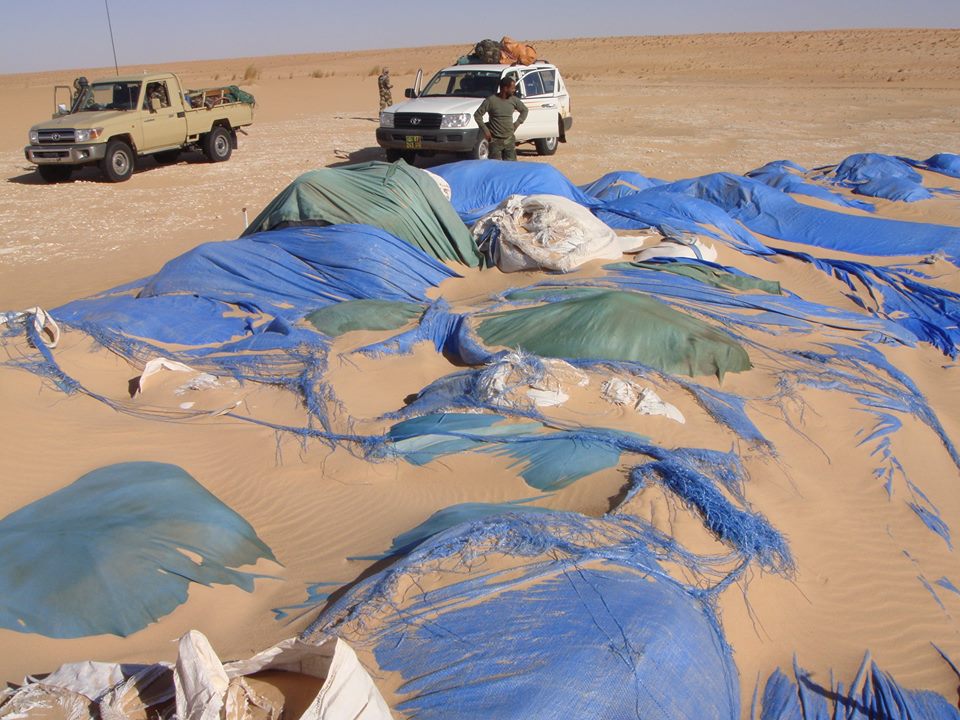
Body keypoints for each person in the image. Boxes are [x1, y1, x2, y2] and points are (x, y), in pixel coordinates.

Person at [473, 76, 528, 161]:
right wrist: (485, 130)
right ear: (505, 88)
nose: (514, 90)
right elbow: (477, 115)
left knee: (511, 166)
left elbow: (524, 110)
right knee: (495, 165)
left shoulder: (514, 100)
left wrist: (517, 123)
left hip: (509, 139)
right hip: (495, 140)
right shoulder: (491, 100)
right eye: (512, 88)